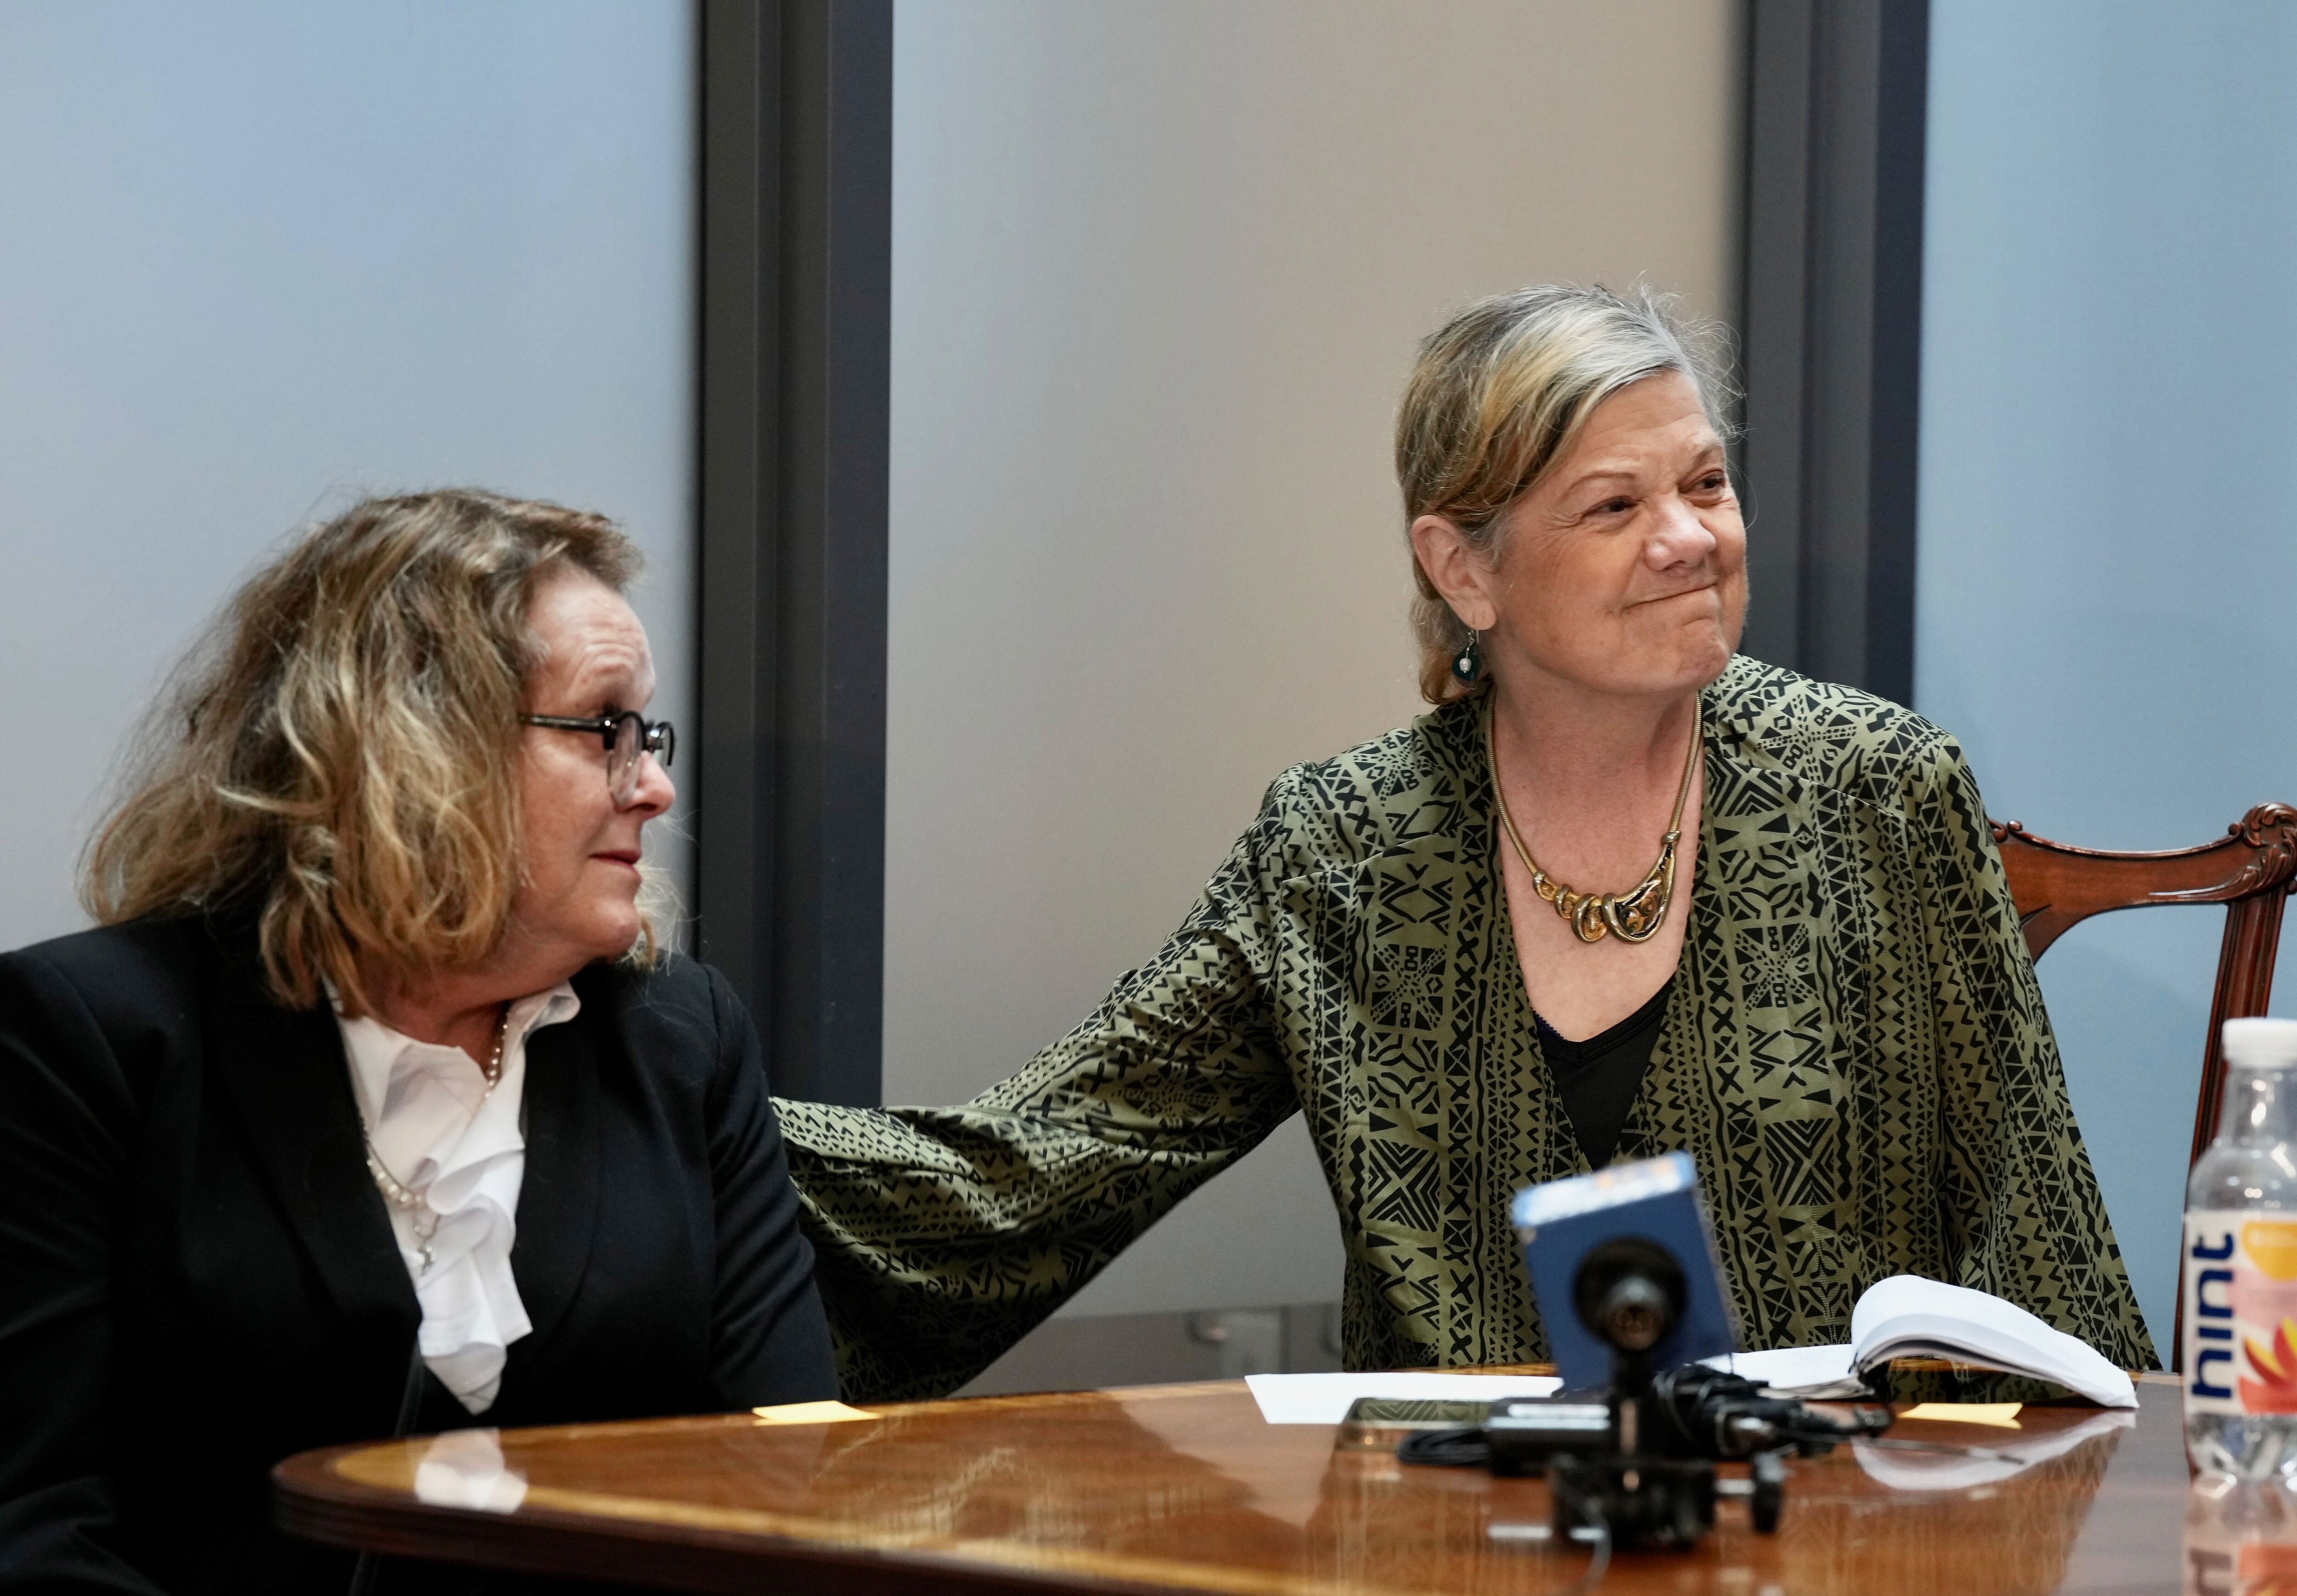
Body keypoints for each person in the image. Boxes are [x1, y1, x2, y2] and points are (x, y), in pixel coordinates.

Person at [779, 283, 2154, 1402]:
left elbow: (2037, 1231)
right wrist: (648, 1094)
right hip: (1451, 1538)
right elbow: (1040, 1168)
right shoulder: (1338, 848)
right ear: (1464, 569)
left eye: (1706, 485)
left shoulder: (1880, 789)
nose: (1689, 539)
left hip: (1827, 1540)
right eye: (1615, 507)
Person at [0, 491, 834, 1594]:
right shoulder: (87, 1041)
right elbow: (32, 1529)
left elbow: (787, 1468)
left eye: (650, 733)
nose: (657, 784)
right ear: (419, 744)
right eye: (606, 729)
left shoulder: (682, 1041)